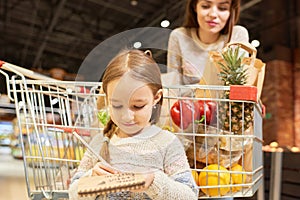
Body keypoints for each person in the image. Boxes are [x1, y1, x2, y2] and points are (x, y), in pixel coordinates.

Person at [68, 49, 198, 200]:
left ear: (156, 98)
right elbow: (73, 193)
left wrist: (154, 182)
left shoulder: (167, 143)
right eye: (116, 105)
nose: (127, 116)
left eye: (138, 106)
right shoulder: (99, 143)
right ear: (107, 97)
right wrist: (91, 179)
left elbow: (189, 195)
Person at [167, 0, 249, 86]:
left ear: (231, 11)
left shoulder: (236, 35)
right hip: (186, 99)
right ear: (195, 7)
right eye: (205, 6)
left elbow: (240, 85)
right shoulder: (179, 36)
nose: (213, 14)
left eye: (222, 8)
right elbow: (173, 88)